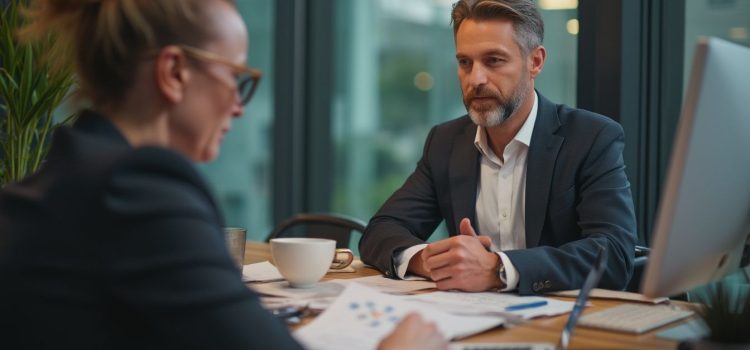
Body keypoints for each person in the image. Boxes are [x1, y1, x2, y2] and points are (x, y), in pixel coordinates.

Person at [0, 1, 448, 349]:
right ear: (174, 72)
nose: (238, 105)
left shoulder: (58, 180)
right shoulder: (137, 190)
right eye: (235, 77)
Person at [359, 0, 637, 295]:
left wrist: (498, 269)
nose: (475, 79)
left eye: (493, 60)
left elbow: (614, 254)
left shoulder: (591, 137)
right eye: (465, 62)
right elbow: (380, 231)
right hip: (467, 323)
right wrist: (427, 260)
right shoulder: (445, 142)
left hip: (559, 324)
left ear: (535, 62)